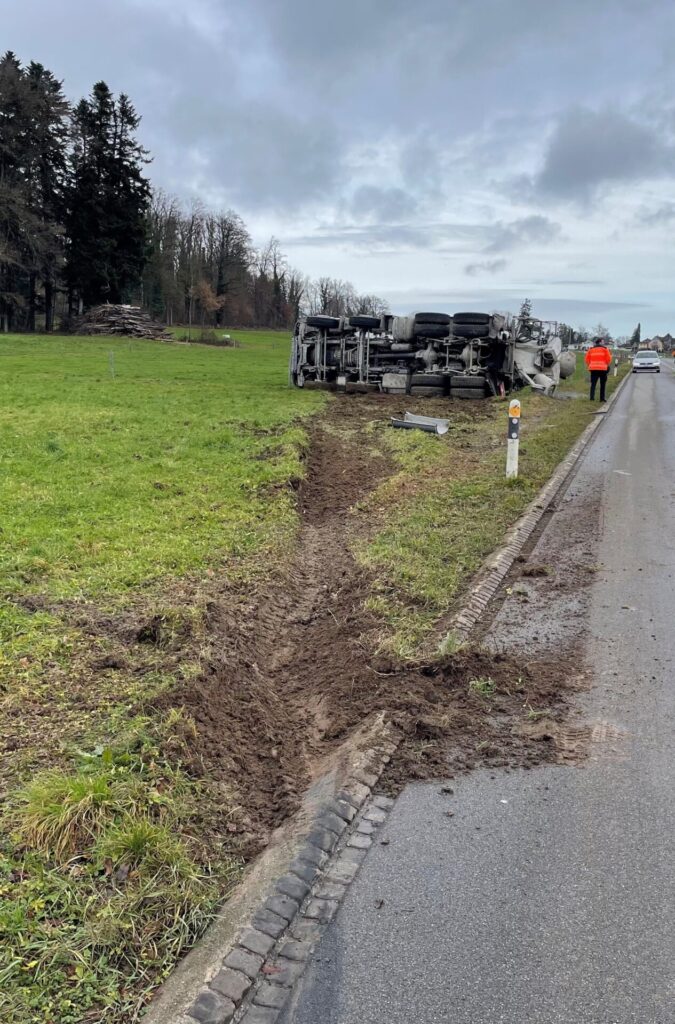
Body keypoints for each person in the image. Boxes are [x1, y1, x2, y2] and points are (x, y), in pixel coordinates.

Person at [585, 338, 612, 402]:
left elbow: (586, 359)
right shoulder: (605, 349)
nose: (604, 343)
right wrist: (606, 365)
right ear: (600, 342)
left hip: (593, 369)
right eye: (603, 342)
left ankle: (592, 398)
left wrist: (590, 365)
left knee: (593, 384)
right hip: (602, 369)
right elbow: (609, 359)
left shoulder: (591, 350)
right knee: (602, 384)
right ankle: (602, 398)